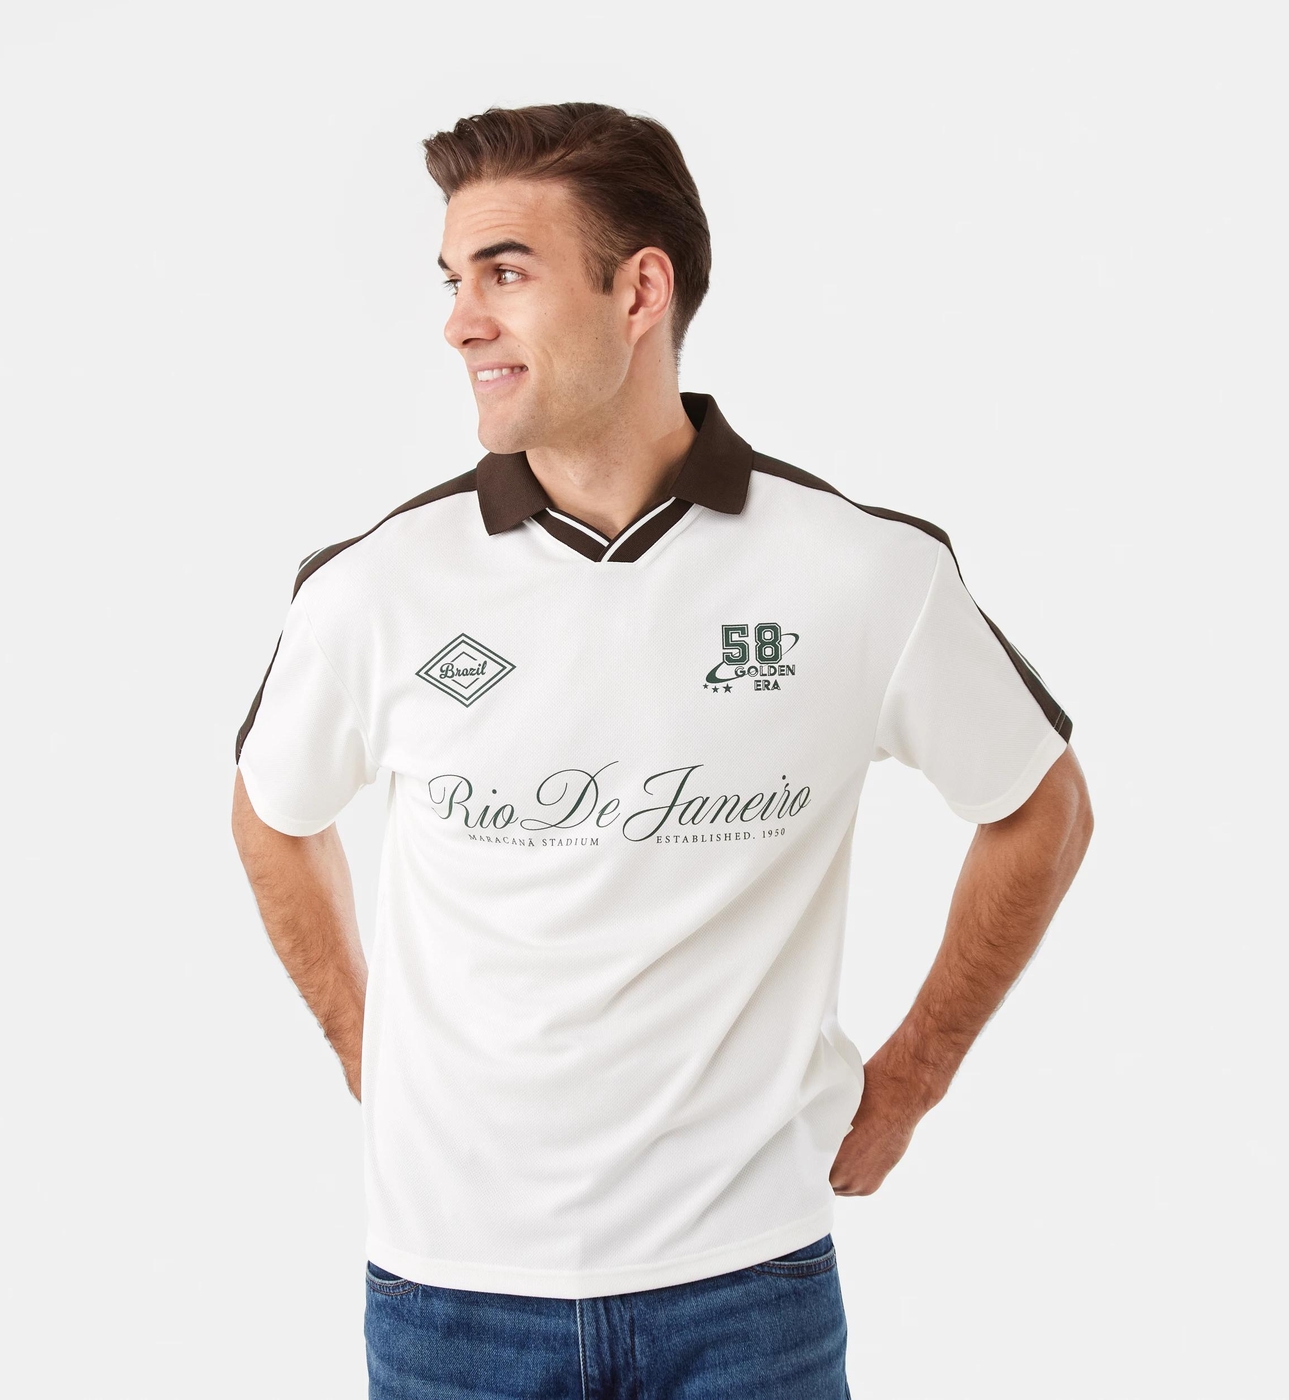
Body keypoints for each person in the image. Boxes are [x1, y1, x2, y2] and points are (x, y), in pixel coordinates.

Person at [231, 101, 1093, 1400]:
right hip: (450, 1298)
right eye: (454, 280)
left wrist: (912, 1078)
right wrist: (368, 1044)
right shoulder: (374, 588)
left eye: (505, 273)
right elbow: (272, 815)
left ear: (641, 291)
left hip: (750, 1292)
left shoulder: (861, 572)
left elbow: (1040, 808)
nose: (459, 321)